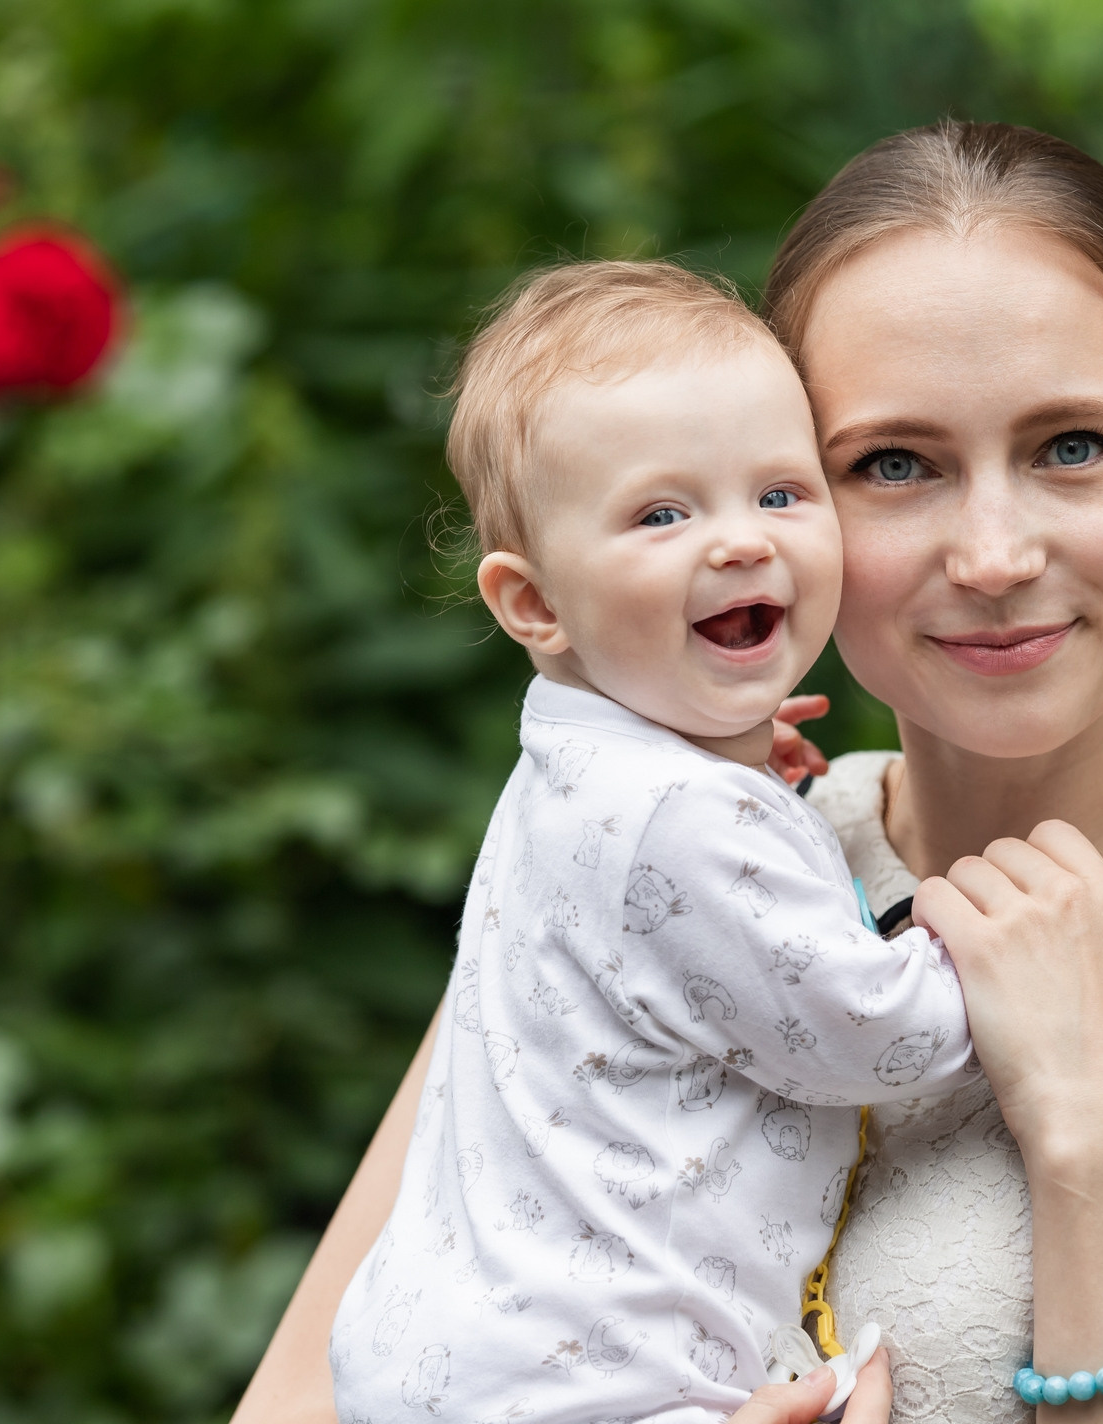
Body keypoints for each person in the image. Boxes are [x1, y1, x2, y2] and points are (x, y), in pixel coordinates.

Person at [236, 122, 1103, 1424]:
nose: (994, 555)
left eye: (1073, 446)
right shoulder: (654, 855)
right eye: (892, 465)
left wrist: (1091, 1125)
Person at [327, 260, 979, 1424]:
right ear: (535, 605)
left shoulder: (581, 769)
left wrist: (741, 767)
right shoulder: (682, 819)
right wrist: (993, 950)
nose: (739, 542)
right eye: (662, 515)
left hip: (475, 1355)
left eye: (779, 492)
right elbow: (878, 1034)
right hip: (597, 1384)